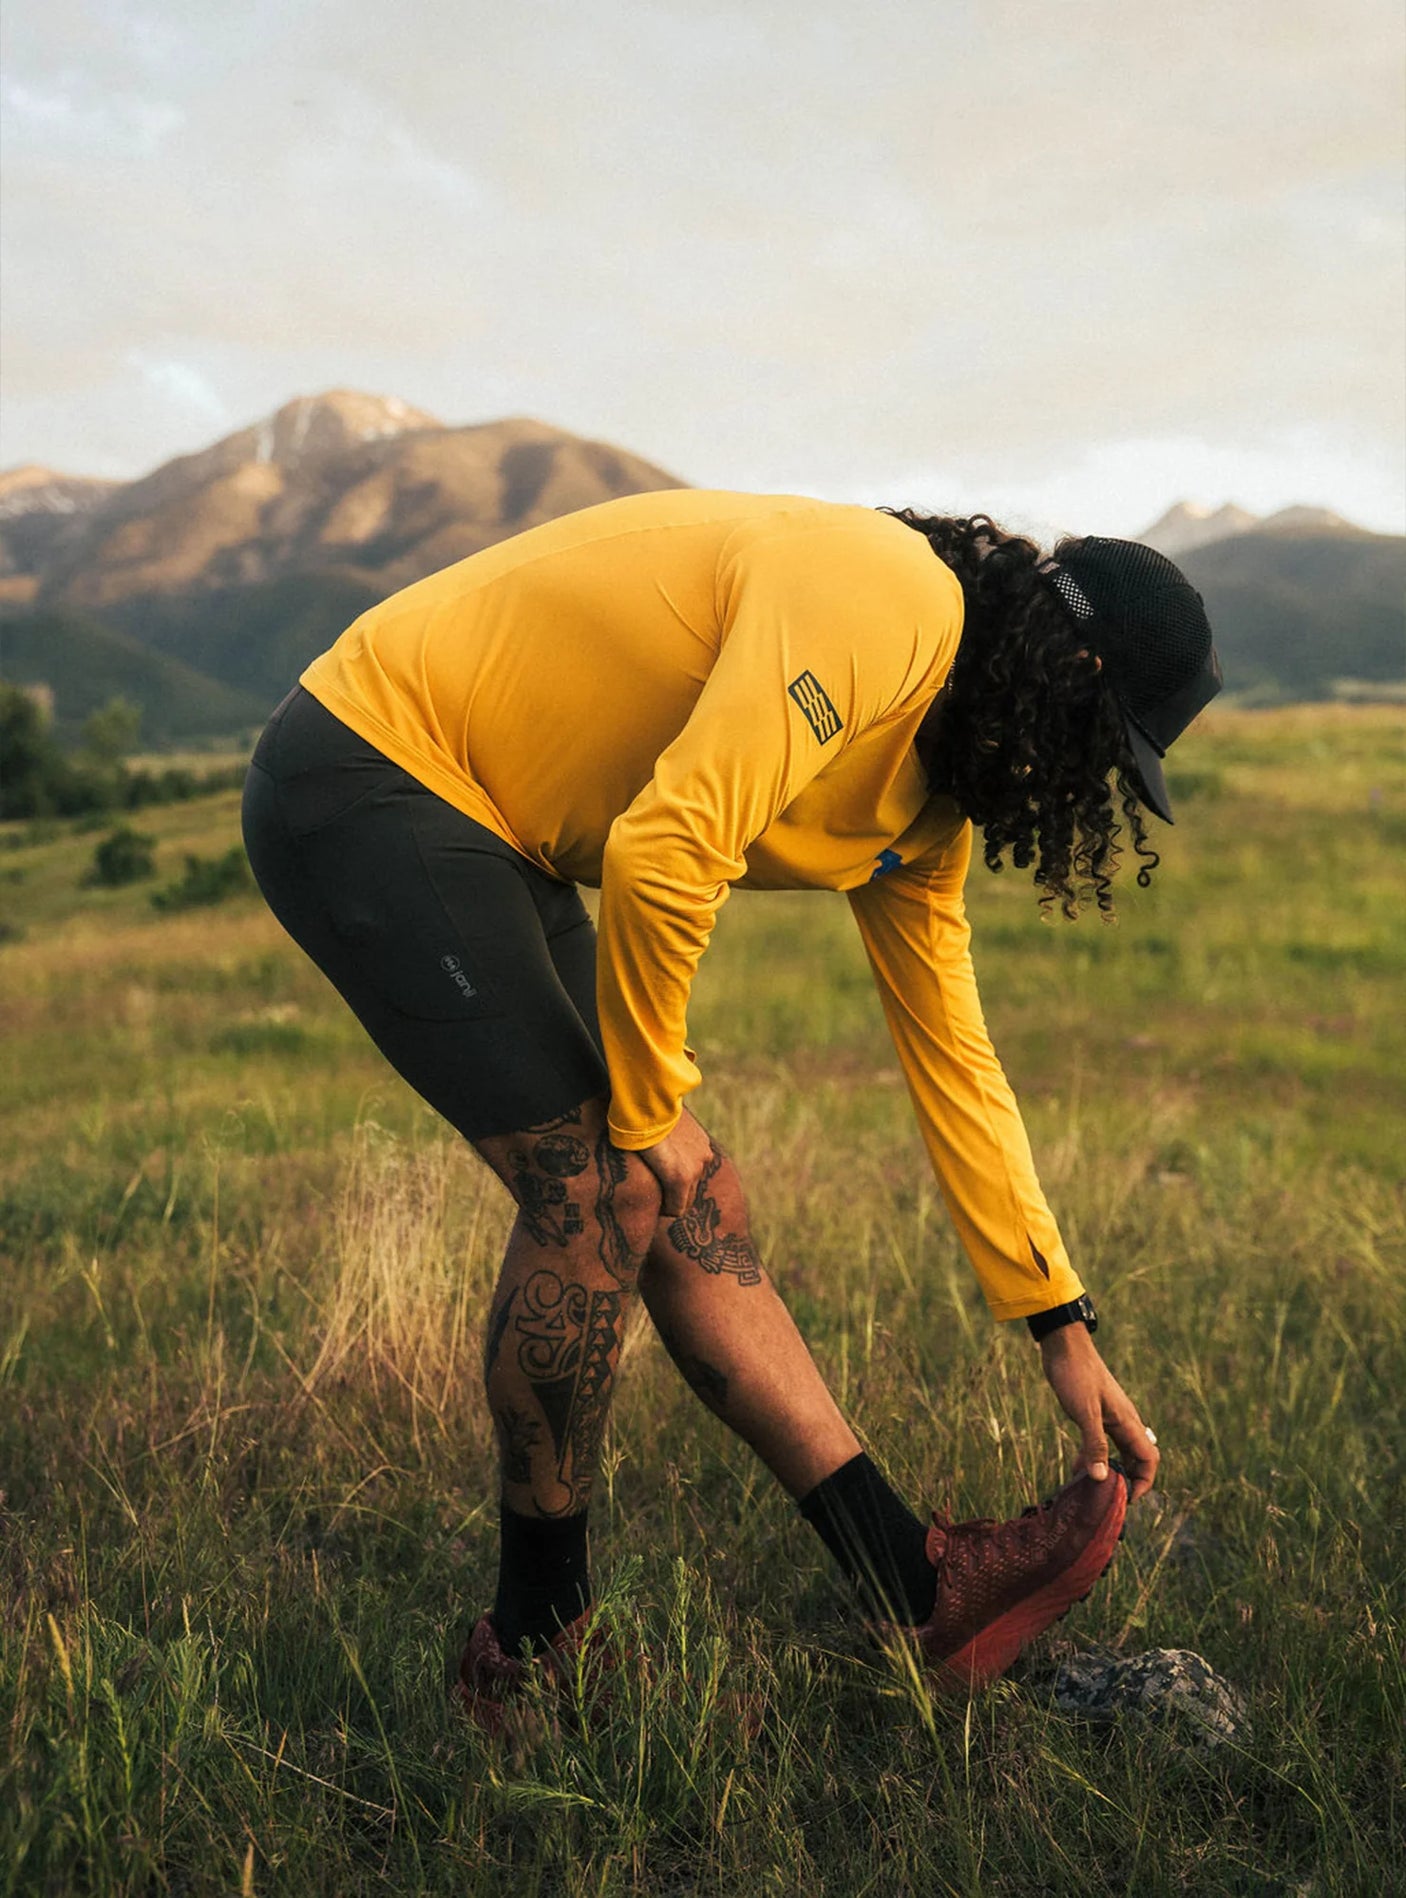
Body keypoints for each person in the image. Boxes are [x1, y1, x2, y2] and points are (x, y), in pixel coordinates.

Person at [240, 488, 1220, 1720]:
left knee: (690, 1191)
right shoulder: (889, 602)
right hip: (373, 769)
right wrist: (647, 1111)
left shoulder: (922, 814)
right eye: (1096, 747)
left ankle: (914, 1583)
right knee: (600, 1187)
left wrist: (1057, 1321)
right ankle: (530, 1649)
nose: (1073, 783)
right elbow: (668, 847)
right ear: (1057, 674)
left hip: (499, 827)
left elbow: (953, 1057)